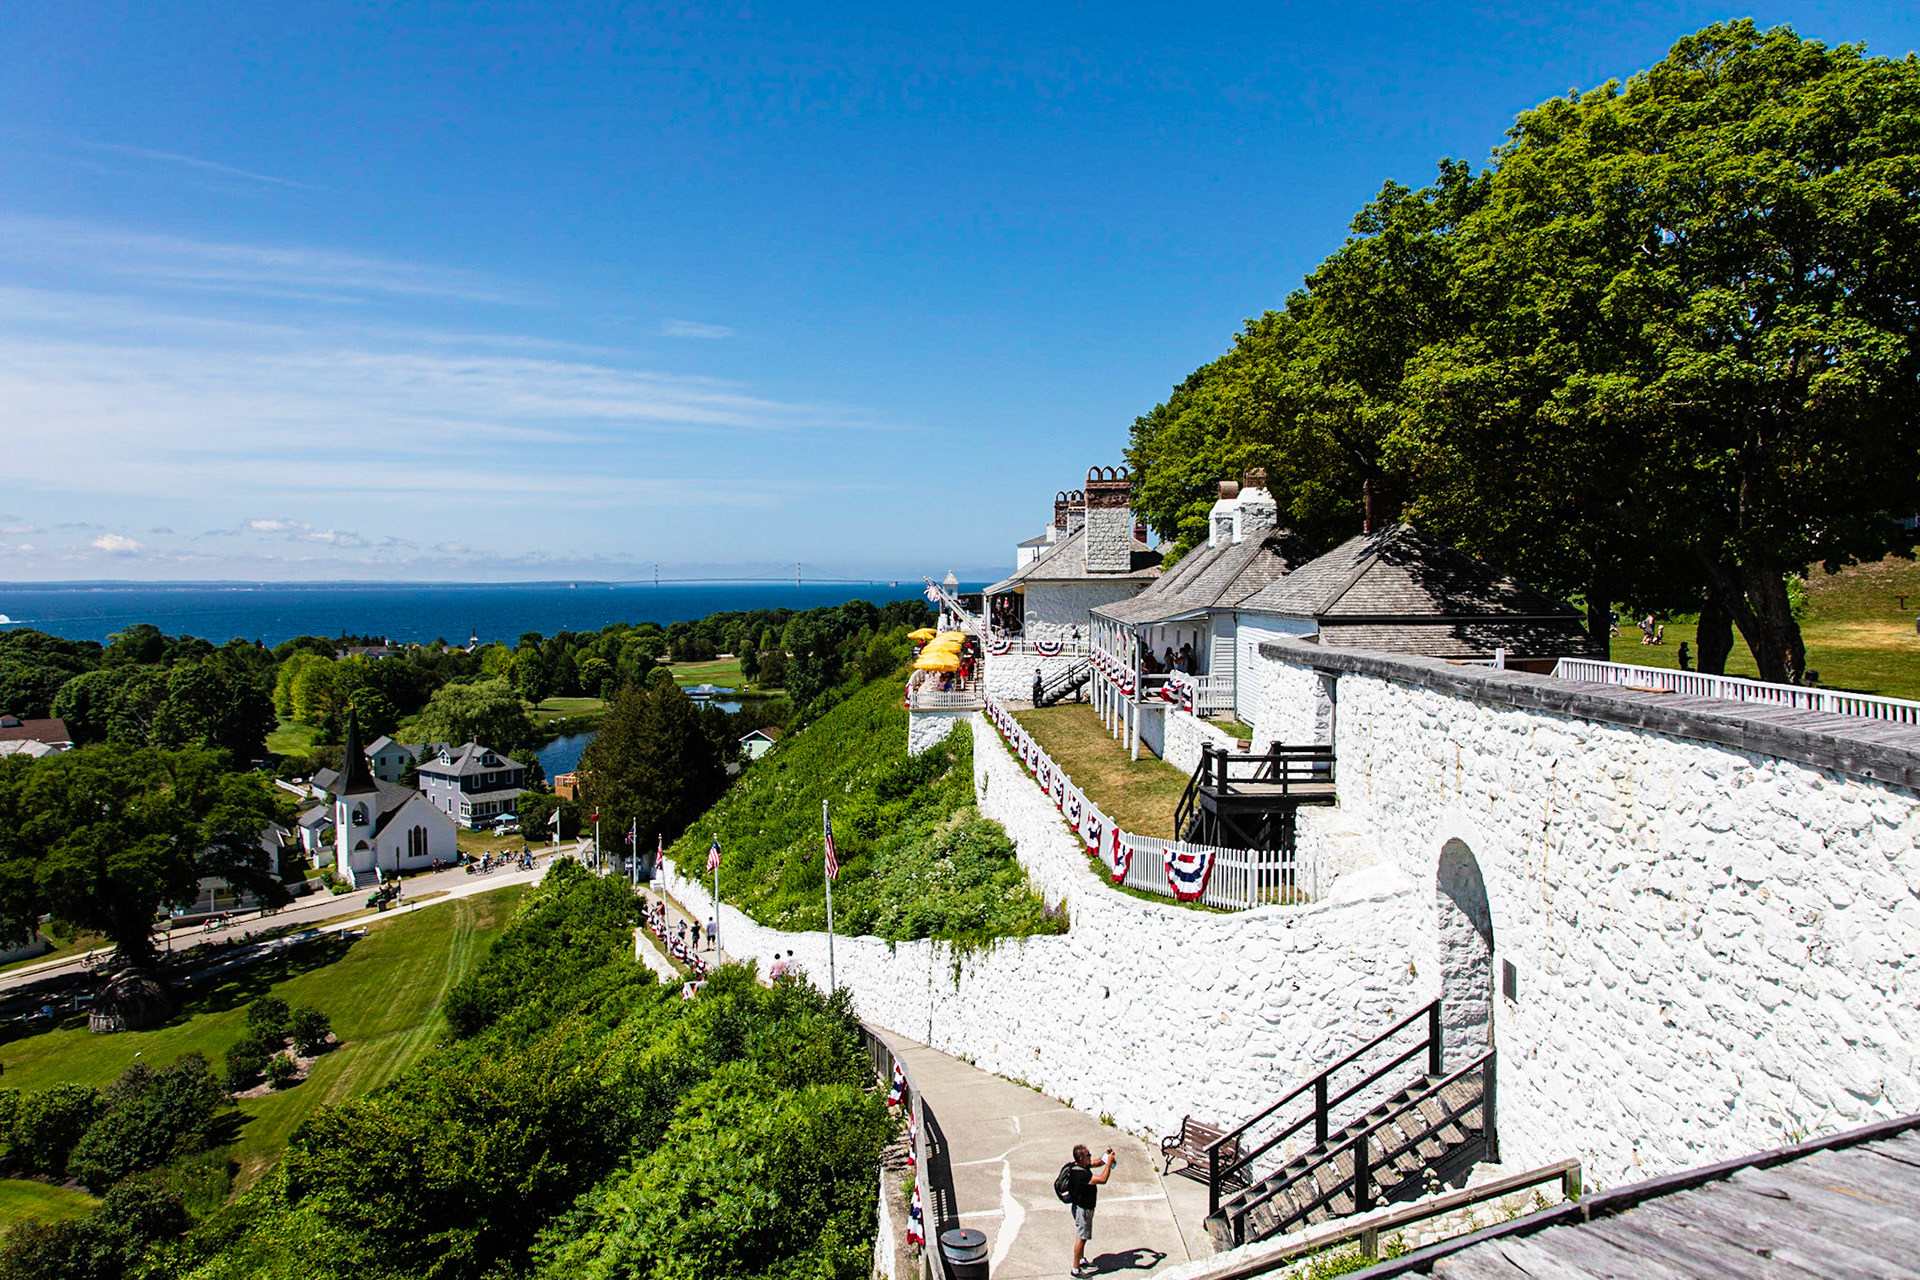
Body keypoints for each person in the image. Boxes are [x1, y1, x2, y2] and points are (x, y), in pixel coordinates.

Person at [1064, 1143, 1115, 1276]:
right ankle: (1075, 1269)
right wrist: (1109, 1163)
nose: (1090, 1156)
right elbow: (1103, 1179)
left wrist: (1105, 1156)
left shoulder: (1078, 1166)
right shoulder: (1081, 1175)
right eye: (1088, 1155)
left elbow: (1097, 1163)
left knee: (1083, 1236)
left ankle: (1081, 1260)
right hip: (1083, 1210)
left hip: (1081, 1207)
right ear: (1081, 1158)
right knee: (1082, 1237)